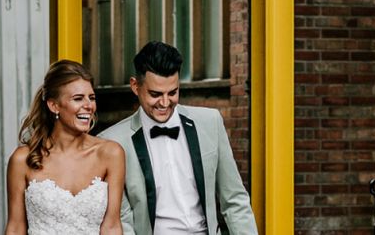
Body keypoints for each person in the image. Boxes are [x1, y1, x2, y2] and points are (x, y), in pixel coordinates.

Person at [99, 41, 258, 235]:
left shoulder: (210, 122)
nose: (165, 103)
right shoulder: (112, 142)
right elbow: (122, 220)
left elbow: (235, 200)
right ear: (135, 86)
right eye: (155, 94)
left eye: (172, 93)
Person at [4, 59, 126, 235]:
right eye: (78, 98)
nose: (89, 106)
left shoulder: (111, 154)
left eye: (91, 98)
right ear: (54, 105)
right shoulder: (23, 159)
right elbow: (15, 228)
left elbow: (112, 226)